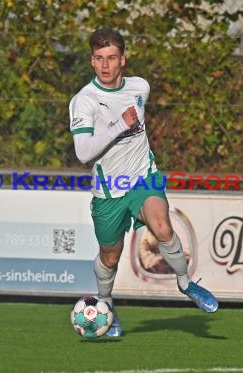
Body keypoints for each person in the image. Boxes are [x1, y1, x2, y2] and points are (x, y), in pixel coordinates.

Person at [69, 28, 218, 338]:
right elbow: (83, 152)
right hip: (109, 191)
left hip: (142, 177)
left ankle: (185, 283)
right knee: (110, 256)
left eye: (111, 58)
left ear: (123, 59)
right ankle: (106, 303)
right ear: (91, 61)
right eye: (99, 59)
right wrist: (118, 125)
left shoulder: (140, 87)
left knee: (162, 227)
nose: (105, 65)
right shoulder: (84, 101)